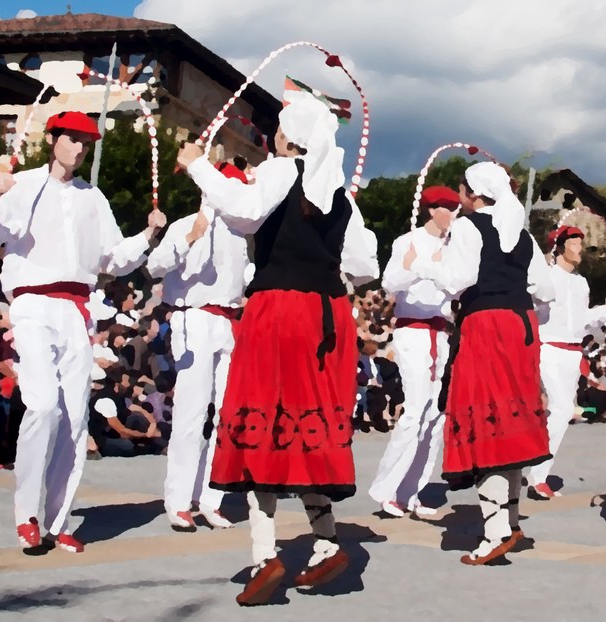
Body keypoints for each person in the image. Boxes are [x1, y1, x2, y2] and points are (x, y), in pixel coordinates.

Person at [177, 86, 379, 606]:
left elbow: (242, 212)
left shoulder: (280, 172)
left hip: (280, 307)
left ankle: (265, 554)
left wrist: (199, 166)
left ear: (290, 136)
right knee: (305, 424)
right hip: (328, 314)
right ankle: (326, 540)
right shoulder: (340, 195)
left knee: (264, 421)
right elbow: (364, 268)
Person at [0, 111, 166, 553]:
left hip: (77, 310)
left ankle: (58, 520)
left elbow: (112, 258)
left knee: (74, 418)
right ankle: (27, 516)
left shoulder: (93, 198)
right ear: (54, 139)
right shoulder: (24, 186)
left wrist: (148, 234)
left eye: (86, 143)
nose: (79, 149)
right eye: (72, 139)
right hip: (33, 304)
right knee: (43, 407)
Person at [407, 161, 554, 565]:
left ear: (473, 195)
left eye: (462, 192)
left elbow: (458, 279)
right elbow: (546, 288)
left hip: (486, 325)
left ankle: (495, 532)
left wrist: (420, 264)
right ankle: (508, 520)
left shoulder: (470, 226)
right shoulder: (521, 234)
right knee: (509, 422)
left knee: (485, 421)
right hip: (521, 325)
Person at [147, 162, 253, 531]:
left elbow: (246, 281)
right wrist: (189, 238)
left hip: (228, 324)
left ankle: (211, 496)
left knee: (227, 414)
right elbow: (156, 266)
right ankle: (178, 501)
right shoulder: (185, 224)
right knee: (192, 413)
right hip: (192, 318)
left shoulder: (240, 236)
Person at [369, 186, 458, 517]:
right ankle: (386, 489)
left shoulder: (455, 246)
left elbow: (458, 284)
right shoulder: (407, 241)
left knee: (436, 415)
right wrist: (420, 265)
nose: (453, 215)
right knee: (415, 408)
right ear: (433, 209)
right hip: (412, 330)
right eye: (448, 209)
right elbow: (391, 281)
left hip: (441, 332)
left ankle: (412, 492)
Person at [529, 225, 606, 498]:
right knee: (562, 409)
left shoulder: (582, 282)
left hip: (572, 352)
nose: (580, 248)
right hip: (548, 349)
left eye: (581, 243)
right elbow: (531, 302)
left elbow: (582, 321)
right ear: (560, 246)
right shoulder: (546, 276)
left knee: (562, 411)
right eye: (575, 243)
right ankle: (537, 475)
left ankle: (533, 464)